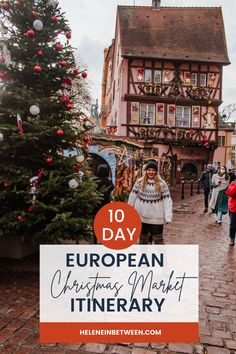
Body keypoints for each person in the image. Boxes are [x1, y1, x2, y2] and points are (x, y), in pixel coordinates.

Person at [128, 160, 173, 244]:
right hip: (141, 216)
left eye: (153, 170)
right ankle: (144, 256)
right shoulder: (139, 182)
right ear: (146, 171)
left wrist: (168, 216)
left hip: (156, 217)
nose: (150, 172)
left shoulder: (161, 184)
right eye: (149, 170)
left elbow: (167, 200)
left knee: (158, 239)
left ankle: (161, 256)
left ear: (156, 171)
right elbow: (132, 197)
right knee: (143, 239)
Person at [93, 164, 114, 243]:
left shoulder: (94, 180)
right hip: (105, 203)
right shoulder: (108, 181)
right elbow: (112, 188)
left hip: (96, 203)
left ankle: (94, 240)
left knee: (95, 222)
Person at [226, 180, 236, 246]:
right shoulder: (234, 183)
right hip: (234, 208)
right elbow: (229, 193)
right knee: (233, 225)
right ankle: (232, 239)